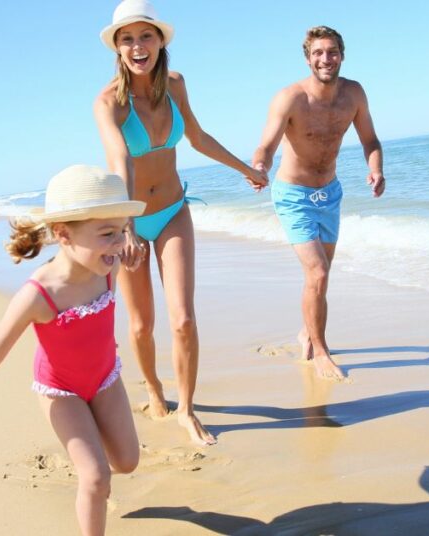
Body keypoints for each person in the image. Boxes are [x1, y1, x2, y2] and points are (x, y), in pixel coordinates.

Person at [0, 165, 146, 536]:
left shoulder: (109, 267)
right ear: (63, 234)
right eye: (107, 234)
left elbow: (121, 255)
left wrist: (124, 251)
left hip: (106, 378)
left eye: (122, 231)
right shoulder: (39, 294)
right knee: (96, 478)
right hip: (61, 392)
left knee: (127, 461)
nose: (120, 243)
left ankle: (94, 448)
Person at [93, 0, 268, 445]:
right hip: (129, 220)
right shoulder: (108, 102)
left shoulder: (175, 85)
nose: (137, 46)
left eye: (145, 36)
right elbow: (119, 163)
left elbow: (197, 136)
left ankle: (187, 409)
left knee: (184, 319)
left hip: (173, 211)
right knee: (139, 326)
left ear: (159, 41)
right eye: (127, 38)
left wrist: (244, 169)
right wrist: (127, 227)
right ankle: (154, 389)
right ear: (117, 47)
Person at [252, 25, 386, 380]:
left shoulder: (354, 94)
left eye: (332, 52)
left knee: (319, 277)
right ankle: (321, 350)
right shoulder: (291, 98)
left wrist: (376, 170)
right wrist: (260, 165)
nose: (326, 59)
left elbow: (370, 140)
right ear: (308, 58)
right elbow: (266, 144)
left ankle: (306, 331)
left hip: (331, 194)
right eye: (318, 53)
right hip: (293, 195)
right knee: (319, 272)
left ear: (342, 54)